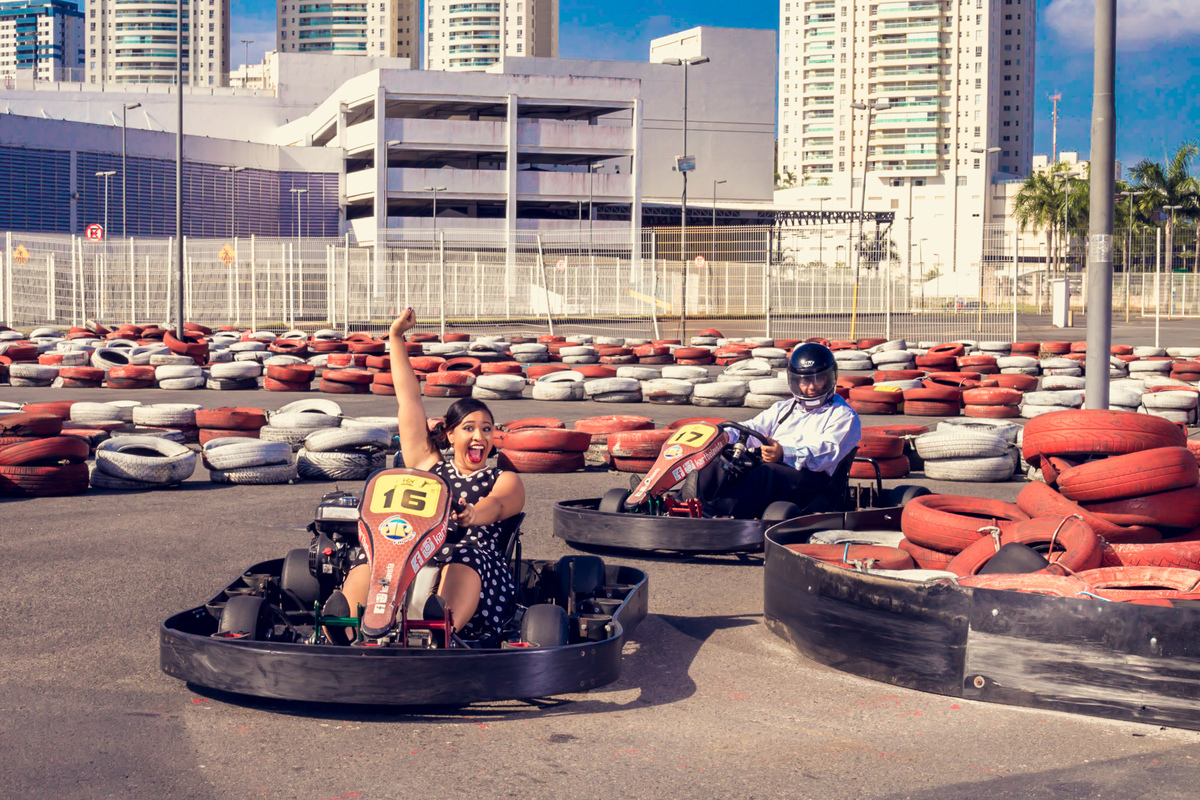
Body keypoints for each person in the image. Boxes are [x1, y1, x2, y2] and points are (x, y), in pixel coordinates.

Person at [323, 309, 526, 643]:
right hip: (411, 551)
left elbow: (500, 507)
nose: (479, 437)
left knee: (465, 554)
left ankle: (444, 628)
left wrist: (472, 515)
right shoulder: (430, 468)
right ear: (450, 434)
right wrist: (396, 339)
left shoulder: (502, 478)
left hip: (473, 557)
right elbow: (408, 400)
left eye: (487, 430)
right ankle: (348, 629)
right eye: (469, 428)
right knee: (372, 554)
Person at [690, 342, 861, 518]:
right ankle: (682, 503)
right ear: (795, 381)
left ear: (830, 378)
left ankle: (716, 512)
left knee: (767, 473)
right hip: (777, 466)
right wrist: (722, 436)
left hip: (813, 479)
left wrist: (784, 453)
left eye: (819, 380)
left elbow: (825, 454)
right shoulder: (784, 408)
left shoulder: (843, 415)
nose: (812, 387)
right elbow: (751, 428)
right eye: (806, 380)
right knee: (721, 458)